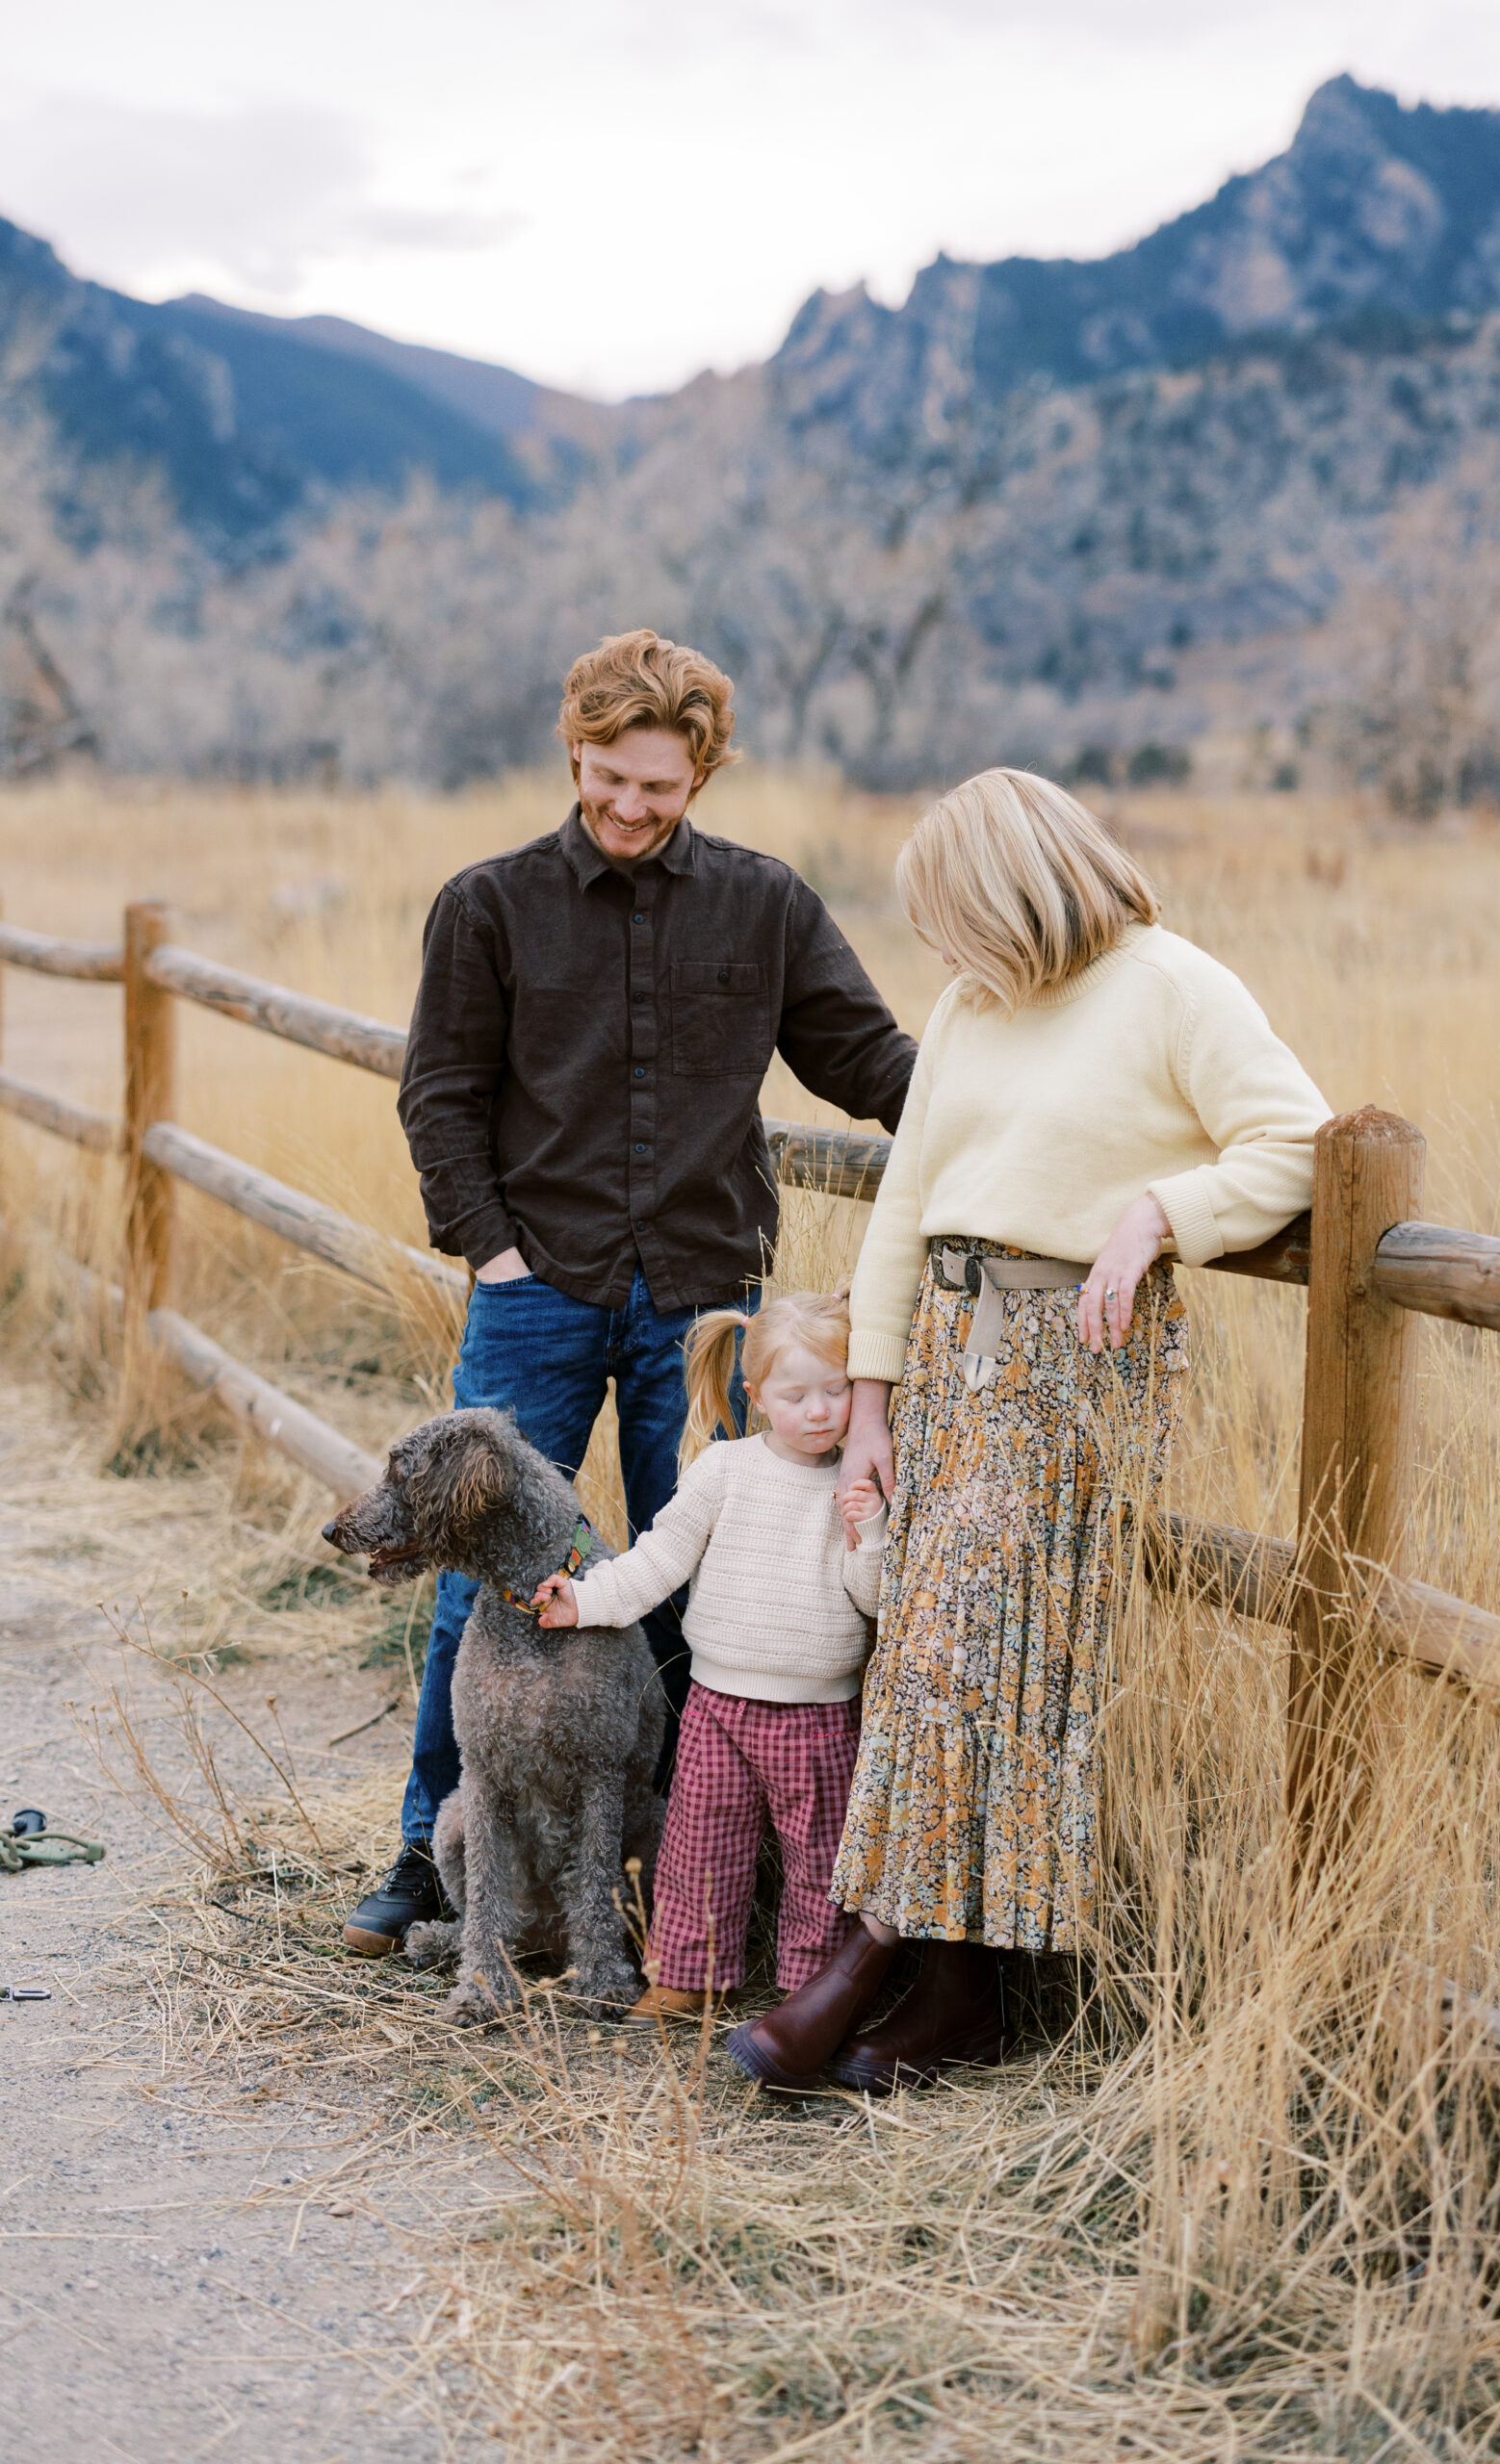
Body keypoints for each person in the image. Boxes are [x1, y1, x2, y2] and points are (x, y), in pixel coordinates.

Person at [726, 769, 1332, 2094]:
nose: (939, 949)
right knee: (939, 1667)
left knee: (958, 1662)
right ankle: (961, 1997)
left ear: (1010, 888)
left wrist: (1159, 1214)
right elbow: (905, 1210)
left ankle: (853, 1975)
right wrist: (873, 1403)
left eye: (950, 916)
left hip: (1069, 1370)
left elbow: (1297, 1141)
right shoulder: (969, 1004)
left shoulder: (1172, 986)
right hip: (944, 1358)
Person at [342, 633, 918, 1958]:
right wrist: (492, 1251)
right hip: (534, 1290)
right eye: (607, 775)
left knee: (696, 1573)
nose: (628, 806)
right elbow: (438, 1094)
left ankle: (679, 1883)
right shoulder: (485, 904)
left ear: (703, 773)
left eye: (658, 786)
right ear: (575, 752)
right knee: (475, 1587)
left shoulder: (767, 905)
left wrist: (994, 1113)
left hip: (704, 1301)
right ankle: (433, 1859)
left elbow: (867, 1059)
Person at [533, 1290, 885, 2018]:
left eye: (837, 1390)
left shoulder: (857, 1484)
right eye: (797, 1395)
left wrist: (872, 1532)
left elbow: (873, 1599)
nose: (819, 1411)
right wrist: (585, 1600)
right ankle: (690, 1978)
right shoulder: (723, 1471)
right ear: (755, 1395)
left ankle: (809, 1994)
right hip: (717, 1705)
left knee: (819, 1863)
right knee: (701, 1848)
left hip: (819, 1715)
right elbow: (659, 1560)